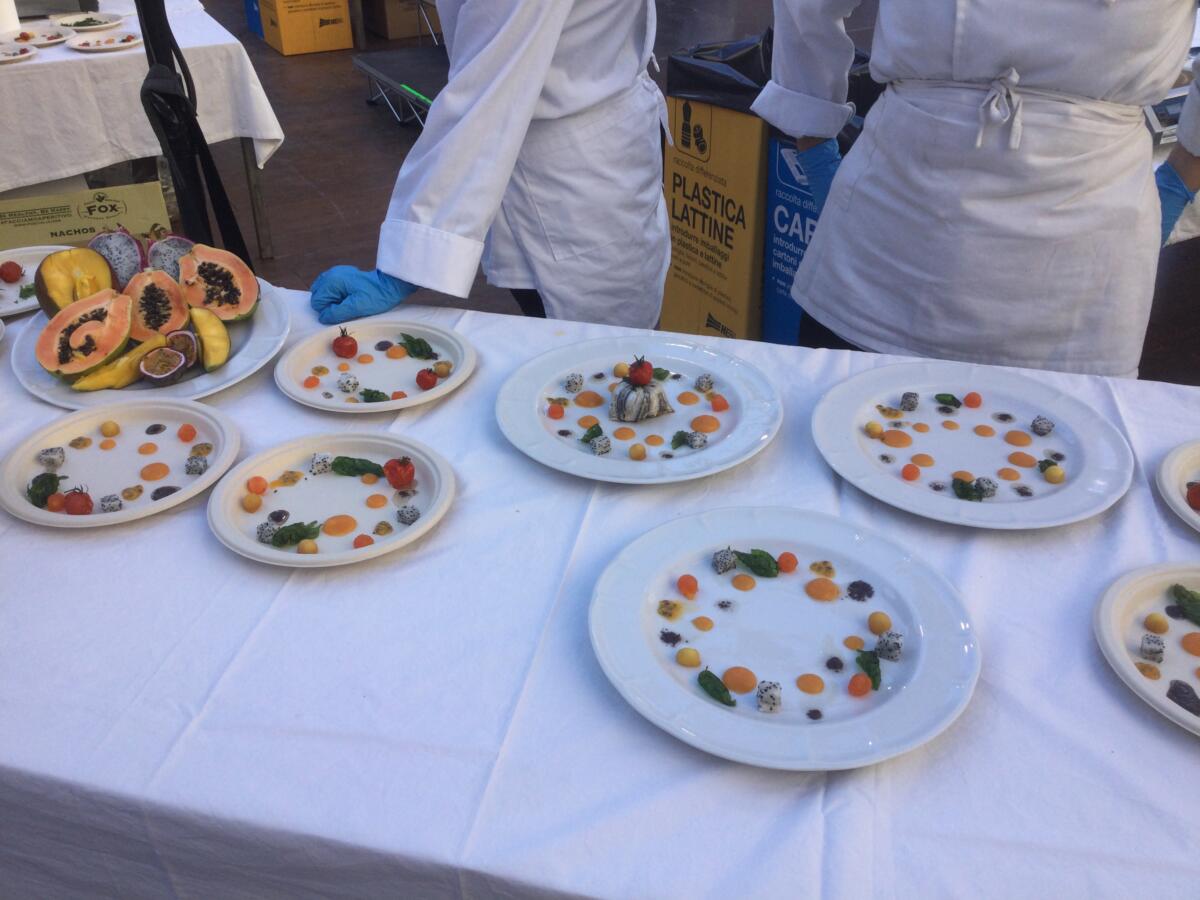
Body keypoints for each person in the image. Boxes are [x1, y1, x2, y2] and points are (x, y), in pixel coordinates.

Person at [753, 0, 1200, 377]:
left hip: (1090, 267)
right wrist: (815, 147)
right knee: (842, 434)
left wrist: (1178, 182)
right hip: (885, 241)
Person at [310, 0, 671, 329]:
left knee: (605, 353)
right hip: (587, 140)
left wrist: (404, 265)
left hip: (575, 181)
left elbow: (483, 96)